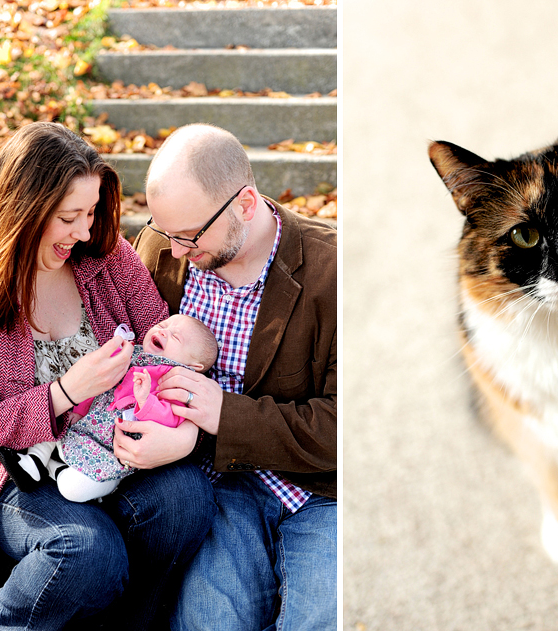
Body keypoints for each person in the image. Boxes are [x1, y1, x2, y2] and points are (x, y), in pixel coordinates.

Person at [0, 122, 215, 631]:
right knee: (85, 548)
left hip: (112, 459)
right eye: (67, 217)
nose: (83, 231)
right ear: (22, 212)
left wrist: (184, 433)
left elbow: (165, 354)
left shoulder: (109, 260)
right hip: (13, 475)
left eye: (92, 212)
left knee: (186, 499)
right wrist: (64, 392)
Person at [121, 123, 337, 630]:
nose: (175, 250)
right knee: (207, 621)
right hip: (220, 487)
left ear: (245, 203)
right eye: (164, 231)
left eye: (190, 235)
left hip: (324, 492)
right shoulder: (162, 251)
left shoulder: (333, 272)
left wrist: (224, 413)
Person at [0, 314, 220, 503]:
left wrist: (146, 402)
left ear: (193, 367)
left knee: (73, 489)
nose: (164, 331)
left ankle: (54, 470)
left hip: (110, 452)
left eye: (176, 337)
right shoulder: (131, 353)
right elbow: (97, 384)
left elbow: (170, 420)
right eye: (164, 325)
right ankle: (32, 463)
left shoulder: (177, 382)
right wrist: (79, 407)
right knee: (54, 423)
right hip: (84, 423)